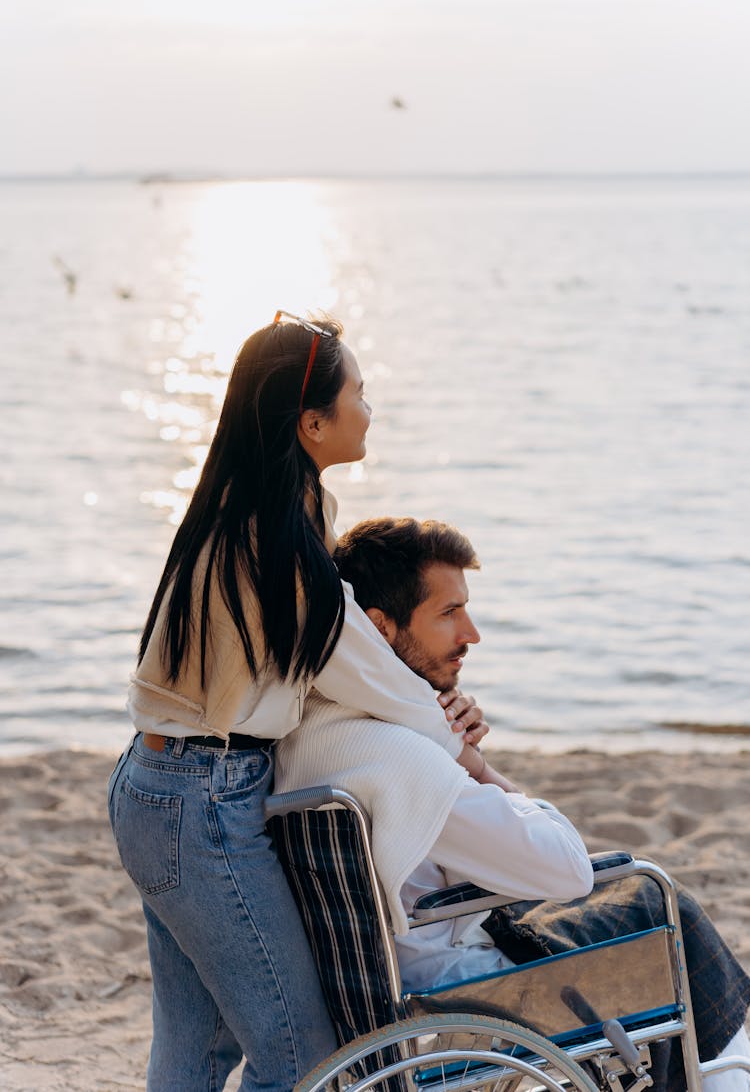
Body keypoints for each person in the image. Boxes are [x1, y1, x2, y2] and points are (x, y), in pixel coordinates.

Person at [107, 314, 491, 1092]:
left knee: (198, 1049)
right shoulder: (278, 538)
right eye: (359, 393)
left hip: (165, 786)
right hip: (200, 798)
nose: (368, 407)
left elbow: (323, 671)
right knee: (303, 1060)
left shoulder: (257, 511)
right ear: (312, 423)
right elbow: (364, 668)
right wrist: (464, 749)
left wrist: (434, 717)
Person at [274, 515, 750, 1092]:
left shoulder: (310, 736)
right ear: (379, 627)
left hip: (394, 969)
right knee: (657, 899)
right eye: (448, 613)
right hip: (459, 977)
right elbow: (567, 869)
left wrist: (437, 732)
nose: (471, 633)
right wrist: (475, 766)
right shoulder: (401, 760)